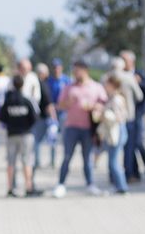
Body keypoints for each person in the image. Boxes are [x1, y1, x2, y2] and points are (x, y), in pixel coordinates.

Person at [51, 61, 105, 197]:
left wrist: (94, 107)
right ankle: (61, 185)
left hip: (88, 128)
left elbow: (103, 103)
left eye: (77, 71)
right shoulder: (69, 87)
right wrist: (67, 103)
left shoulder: (96, 87)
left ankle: (90, 184)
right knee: (67, 156)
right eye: (74, 71)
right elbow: (60, 104)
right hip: (71, 127)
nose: (75, 74)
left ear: (85, 70)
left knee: (87, 158)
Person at [0, 59, 40, 197]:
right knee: (27, 161)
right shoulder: (27, 101)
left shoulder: (8, 101)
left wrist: (11, 122)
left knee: (11, 162)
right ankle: (28, 187)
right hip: (26, 134)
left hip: (11, 134)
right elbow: (34, 118)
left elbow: (1, 116)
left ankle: (10, 188)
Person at [121, 50, 145, 183]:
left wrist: (139, 82)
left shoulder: (139, 74)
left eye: (125, 60)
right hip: (125, 116)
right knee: (128, 145)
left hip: (138, 115)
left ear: (131, 61)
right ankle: (133, 174)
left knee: (138, 144)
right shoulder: (120, 76)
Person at [100, 74, 132, 195]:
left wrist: (105, 114)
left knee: (113, 162)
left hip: (116, 131)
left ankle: (122, 187)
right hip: (115, 130)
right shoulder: (113, 97)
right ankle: (119, 186)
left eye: (107, 84)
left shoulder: (116, 99)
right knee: (113, 161)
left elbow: (119, 117)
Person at [34, 62, 59, 172]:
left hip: (39, 116)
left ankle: (41, 161)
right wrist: (54, 117)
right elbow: (49, 102)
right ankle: (41, 161)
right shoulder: (42, 84)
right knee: (47, 139)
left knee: (39, 140)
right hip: (44, 117)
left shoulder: (36, 83)